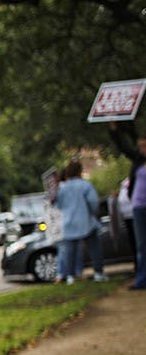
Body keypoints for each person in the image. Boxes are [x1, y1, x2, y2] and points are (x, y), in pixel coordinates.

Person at [52, 160, 105, 284]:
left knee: (70, 251)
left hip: (69, 222)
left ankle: (70, 276)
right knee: (94, 247)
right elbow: (94, 203)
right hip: (86, 220)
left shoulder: (61, 189)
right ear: (80, 171)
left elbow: (57, 205)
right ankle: (98, 273)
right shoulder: (85, 185)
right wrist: (92, 213)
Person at [108, 122, 146, 289]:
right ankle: (141, 279)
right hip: (138, 206)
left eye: (144, 145)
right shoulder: (137, 160)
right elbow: (124, 148)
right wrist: (114, 130)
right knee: (141, 245)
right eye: (140, 146)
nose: (142, 149)